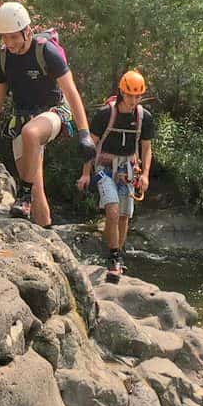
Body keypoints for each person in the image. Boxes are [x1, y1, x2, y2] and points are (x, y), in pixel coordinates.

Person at [0, 2, 97, 228]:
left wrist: (84, 134)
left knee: (31, 133)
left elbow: (71, 93)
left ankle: (22, 196)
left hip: (54, 113)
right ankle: (45, 232)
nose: (9, 43)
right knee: (36, 185)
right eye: (4, 37)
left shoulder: (46, 52)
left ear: (27, 31)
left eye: (14, 37)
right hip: (22, 116)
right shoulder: (3, 58)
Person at [77, 70, 154, 279]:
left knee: (123, 216)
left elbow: (146, 148)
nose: (133, 101)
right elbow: (90, 144)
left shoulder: (144, 117)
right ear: (121, 92)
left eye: (138, 97)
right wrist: (85, 174)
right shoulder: (106, 114)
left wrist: (145, 175)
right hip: (104, 168)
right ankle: (113, 258)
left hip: (128, 170)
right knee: (112, 210)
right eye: (130, 96)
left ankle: (118, 256)